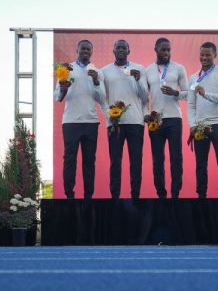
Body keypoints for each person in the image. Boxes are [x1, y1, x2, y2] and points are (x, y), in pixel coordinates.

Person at [54, 39, 106, 199]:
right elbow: (57, 97)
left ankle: (88, 196)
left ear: (92, 52)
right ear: (77, 50)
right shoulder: (66, 69)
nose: (85, 52)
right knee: (70, 159)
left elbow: (102, 98)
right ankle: (69, 195)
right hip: (71, 122)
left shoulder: (97, 71)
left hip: (91, 122)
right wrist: (63, 89)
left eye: (88, 50)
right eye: (82, 49)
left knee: (89, 161)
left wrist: (96, 81)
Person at [99, 39, 148, 199]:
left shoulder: (139, 69)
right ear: (113, 51)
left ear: (129, 51)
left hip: (135, 122)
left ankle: (136, 197)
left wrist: (139, 79)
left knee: (136, 162)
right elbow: (102, 98)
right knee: (115, 162)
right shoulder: (104, 71)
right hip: (115, 124)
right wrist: (109, 115)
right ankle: (115, 197)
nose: (121, 50)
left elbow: (146, 97)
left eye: (124, 48)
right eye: (118, 48)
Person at [144, 37, 189, 198]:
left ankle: (175, 192)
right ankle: (161, 193)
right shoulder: (148, 70)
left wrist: (176, 93)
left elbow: (188, 93)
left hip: (174, 119)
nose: (166, 53)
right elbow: (143, 97)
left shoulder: (179, 68)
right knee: (158, 158)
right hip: (156, 120)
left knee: (176, 157)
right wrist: (145, 114)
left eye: (169, 50)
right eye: (163, 49)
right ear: (155, 50)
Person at [187, 41, 218, 198]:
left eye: (208, 54)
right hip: (200, 125)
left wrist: (205, 93)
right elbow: (191, 104)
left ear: (215, 55)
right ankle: (201, 195)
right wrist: (192, 124)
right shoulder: (194, 77)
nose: (204, 57)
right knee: (201, 163)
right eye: (202, 54)